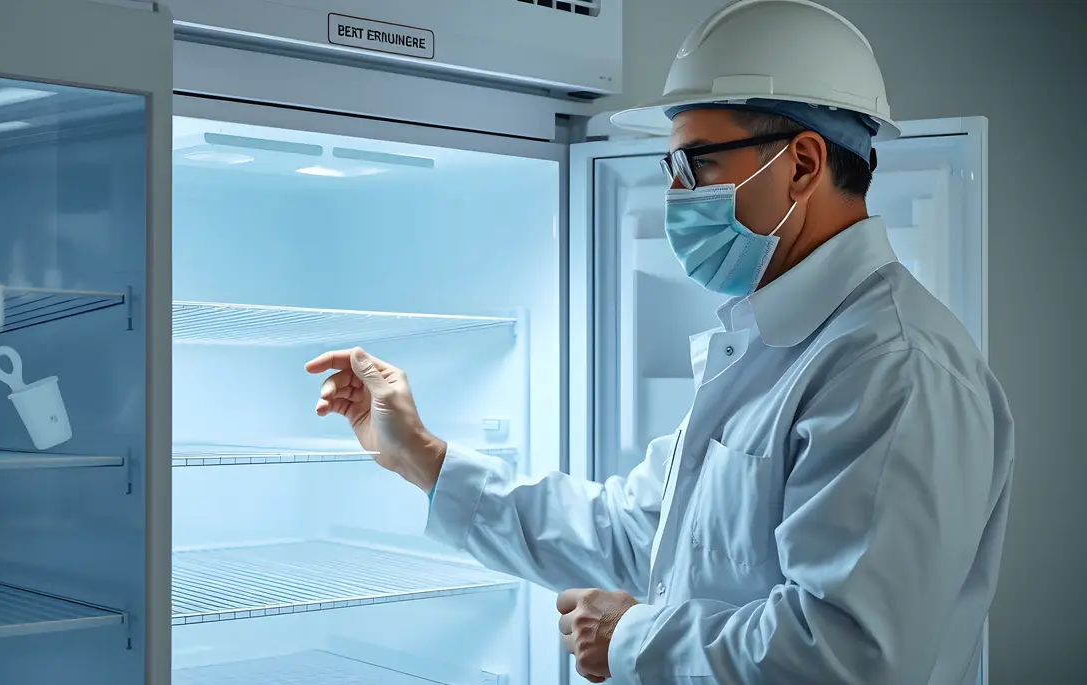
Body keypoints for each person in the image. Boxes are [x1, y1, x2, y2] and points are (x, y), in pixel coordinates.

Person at [306, 0, 1015, 682]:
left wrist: (630, 638)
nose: (677, 194)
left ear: (802, 163)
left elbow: (850, 656)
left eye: (697, 163)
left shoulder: (894, 366)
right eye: (671, 168)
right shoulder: (773, 343)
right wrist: (423, 458)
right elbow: (636, 534)